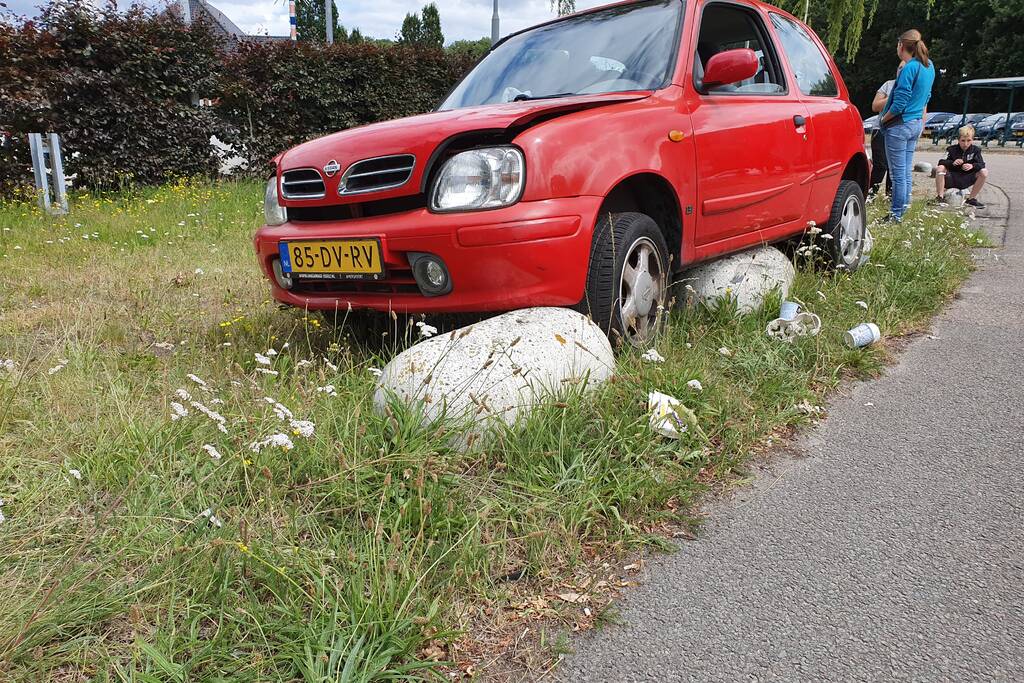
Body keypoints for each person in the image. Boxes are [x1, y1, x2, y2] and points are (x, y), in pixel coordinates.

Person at [879, 29, 936, 222]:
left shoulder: (908, 68)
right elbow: (927, 96)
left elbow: (900, 103)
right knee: (905, 171)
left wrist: (884, 119)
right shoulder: (929, 67)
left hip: (899, 125)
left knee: (897, 174)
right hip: (915, 123)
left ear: (901, 46)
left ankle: (895, 215)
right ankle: (902, 210)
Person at [933, 125, 988, 208]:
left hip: (967, 178)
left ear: (972, 140)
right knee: (940, 168)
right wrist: (952, 162)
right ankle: (940, 197)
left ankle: (971, 199)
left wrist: (972, 166)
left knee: (984, 172)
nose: (965, 144)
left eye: (968, 140)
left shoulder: (976, 150)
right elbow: (941, 161)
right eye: (963, 141)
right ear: (958, 140)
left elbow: (981, 164)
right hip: (951, 178)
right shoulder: (951, 149)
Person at [868, 71, 899, 196]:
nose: (902, 71)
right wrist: (893, 95)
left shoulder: (915, 86)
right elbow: (875, 106)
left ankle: (890, 197)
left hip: (900, 129)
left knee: (895, 166)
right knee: (880, 165)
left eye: (905, 68)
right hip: (880, 129)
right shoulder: (888, 85)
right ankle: (870, 194)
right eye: (900, 68)